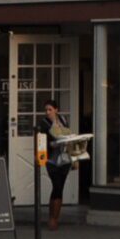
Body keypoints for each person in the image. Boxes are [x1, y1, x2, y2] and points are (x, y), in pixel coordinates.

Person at [34, 95, 74, 230]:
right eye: (46, 110)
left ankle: (55, 217)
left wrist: (73, 157)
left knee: (60, 187)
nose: (47, 112)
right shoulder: (44, 123)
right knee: (56, 185)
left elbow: (67, 135)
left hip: (64, 159)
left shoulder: (63, 119)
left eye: (50, 109)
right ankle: (52, 219)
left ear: (56, 110)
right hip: (52, 160)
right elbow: (45, 140)